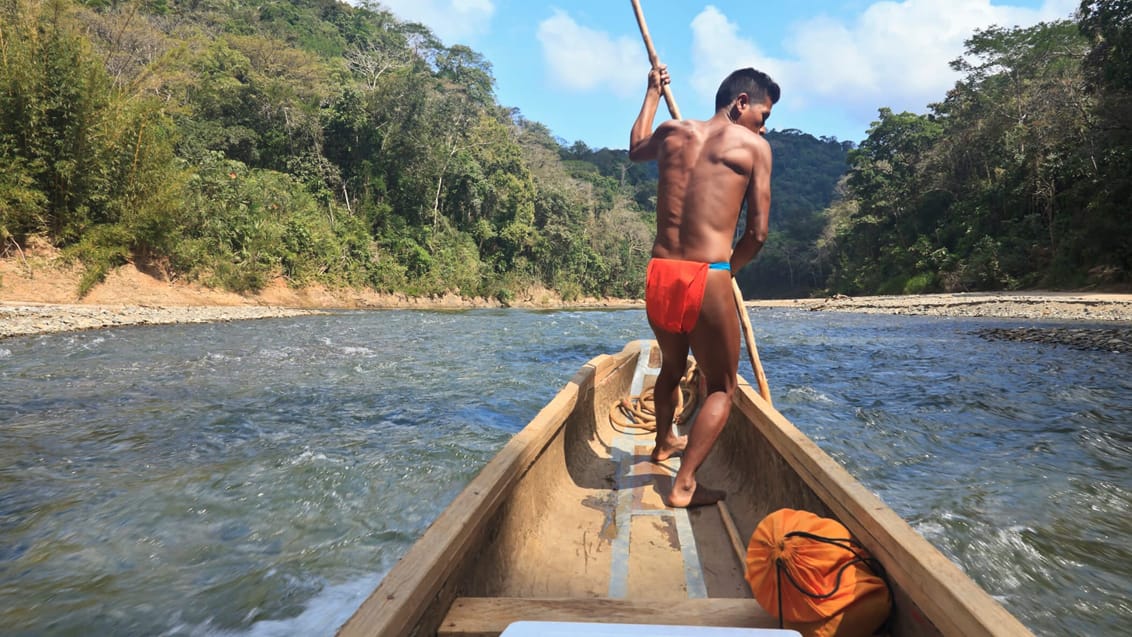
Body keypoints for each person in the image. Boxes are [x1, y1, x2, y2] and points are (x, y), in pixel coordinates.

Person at [628, 66, 778, 508]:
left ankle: (663, 444)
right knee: (721, 388)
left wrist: (652, 93)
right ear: (741, 103)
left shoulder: (673, 132)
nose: (764, 125)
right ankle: (685, 484)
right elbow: (758, 235)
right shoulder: (754, 147)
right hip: (706, 271)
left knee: (671, 367)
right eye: (763, 114)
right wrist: (728, 272)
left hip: (660, 272)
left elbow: (636, 148)